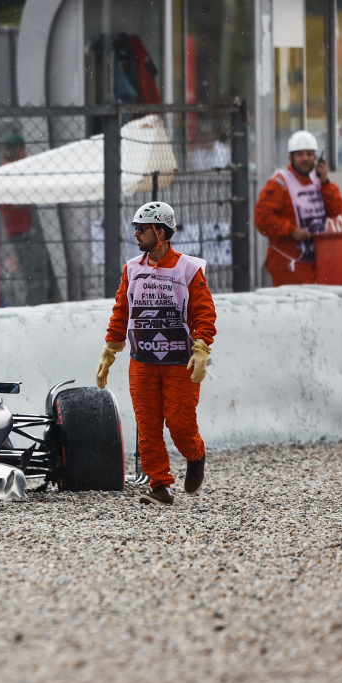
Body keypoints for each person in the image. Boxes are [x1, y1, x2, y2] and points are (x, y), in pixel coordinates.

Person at [97, 201, 217, 507]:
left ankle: (195, 454)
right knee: (148, 427)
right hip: (142, 362)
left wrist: (201, 347)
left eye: (142, 228)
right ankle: (160, 485)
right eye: (135, 228)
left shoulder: (189, 269)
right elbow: (121, 312)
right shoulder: (132, 269)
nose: (136, 234)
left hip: (180, 363)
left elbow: (204, 312)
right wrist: (110, 350)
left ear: (160, 232)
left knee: (179, 423)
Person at [254, 130, 342, 286]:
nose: (306, 158)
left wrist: (325, 182)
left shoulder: (319, 180)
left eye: (310, 154)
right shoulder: (279, 183)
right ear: (291, 158)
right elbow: (262, 220)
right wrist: (292, 231)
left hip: (318, 261)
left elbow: (337, 209)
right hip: (289, 261)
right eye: (300, 154)